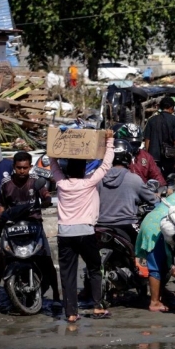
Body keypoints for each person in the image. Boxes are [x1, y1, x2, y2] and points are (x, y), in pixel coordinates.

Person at [51, 130, 115, 322]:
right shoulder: (89, 182)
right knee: (94, 268)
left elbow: (53, 164)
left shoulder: (61, 183)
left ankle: (71, 313)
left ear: (67, 170)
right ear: (84, 170)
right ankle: (97, 307)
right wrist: (110, 141)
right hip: (85, 232)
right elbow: (106, 164)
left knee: (67, 274)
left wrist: (53, 147)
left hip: (65, 233)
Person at [0, 151, 60, 306]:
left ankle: (56, 294)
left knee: (46, 260)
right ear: (14, 167)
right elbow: (2, 204)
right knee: (2, 258)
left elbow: (46, 194)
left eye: (25, 168)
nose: (22, 171)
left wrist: (47, 200)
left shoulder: (36, 181)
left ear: (30, 167)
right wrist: (0, 216)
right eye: (19, 168)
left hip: (33, 224)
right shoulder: (6, 183)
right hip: (12, 225)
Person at [97, 140, 159, 246]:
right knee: (146, 246)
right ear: (128, 157)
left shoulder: (98, 178)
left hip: (100, 226)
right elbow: (153, 200)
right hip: (126, 225)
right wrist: (158, 197)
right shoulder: (134, 179)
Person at [144, 96, 175, 186]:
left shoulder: (151, 120)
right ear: (171, 108)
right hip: (169, 156)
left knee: (155, 181)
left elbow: (147, 140)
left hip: (153, 156)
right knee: (170, 181)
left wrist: (147, 155)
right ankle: (169, 191)